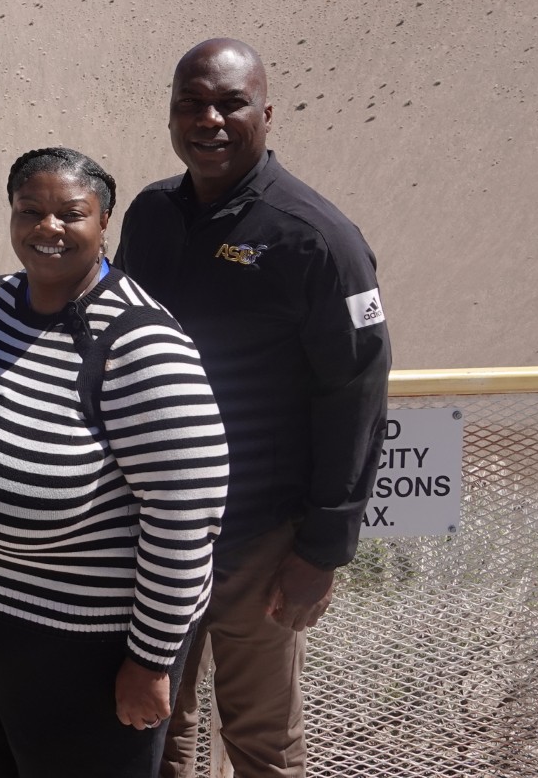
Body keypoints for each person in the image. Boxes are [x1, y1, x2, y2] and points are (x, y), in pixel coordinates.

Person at [114, 39, 391, 778]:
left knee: (262, 742)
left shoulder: (316, 239)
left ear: (265, 113)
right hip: (155, 529)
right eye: (191, 103)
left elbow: (357, 392)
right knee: (151, 727)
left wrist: (324, 548)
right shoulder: (149, 216)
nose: (209, 120)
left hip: (260, 538)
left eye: (230, 103)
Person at [0, 147, 227, 778]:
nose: (48, 228)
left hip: (84, 659)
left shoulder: (144, 346)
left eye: (71, 214)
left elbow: (185, 521)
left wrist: (150, 661)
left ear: (104, 221)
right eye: (30, 210)